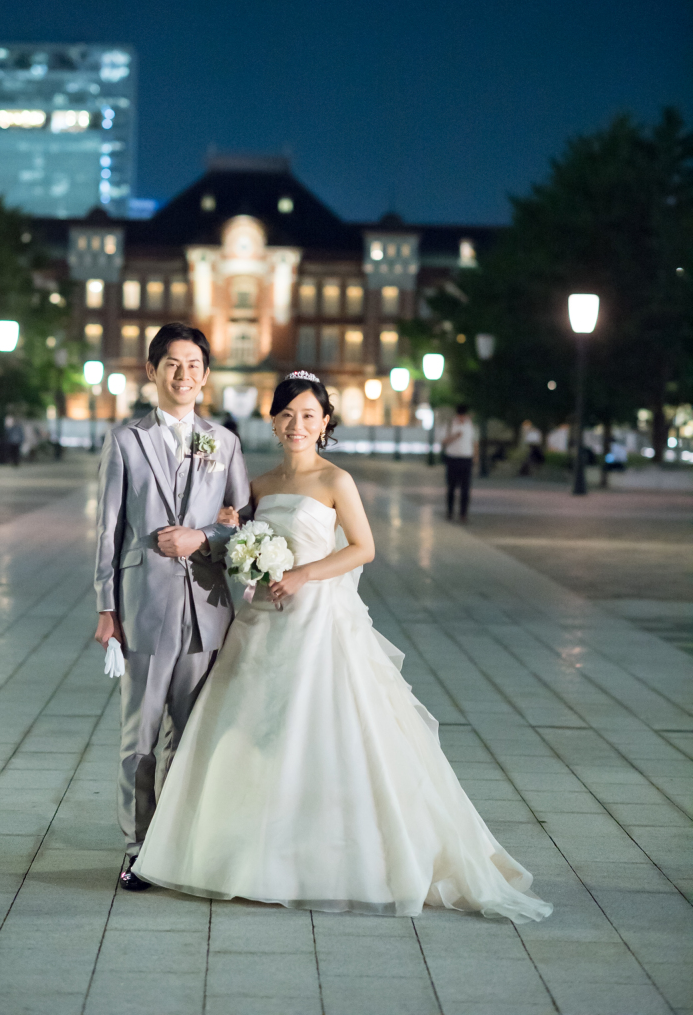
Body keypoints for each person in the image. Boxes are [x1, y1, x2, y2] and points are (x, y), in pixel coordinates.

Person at [133, 371, 552, 923]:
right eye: (286, 415)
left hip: (318, 622)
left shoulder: (336, 482)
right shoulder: (256, 485)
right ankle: (241, 853)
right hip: (261, 622)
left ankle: (314, 854)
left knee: (316, 732)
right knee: (251, 733)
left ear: (325, 422)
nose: (296, 425)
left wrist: (306, 574)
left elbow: (364, 548)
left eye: (308, 415)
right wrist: (234, 530)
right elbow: (234, 539)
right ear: (273, 420)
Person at [93, 322, 250, 892]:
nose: (184, 374)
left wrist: (203, 536)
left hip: (206, 609)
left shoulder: (224, 442)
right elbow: (108, 529)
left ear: (206, 376)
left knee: (189, 736)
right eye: (172, 364)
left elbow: (245, 524)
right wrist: (105, 607)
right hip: (142, 607)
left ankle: (177, 845)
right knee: (139, 736)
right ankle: (137, 849)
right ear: (152, 372)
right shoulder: (125, 441)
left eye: (193, 365)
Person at [443, 403, 476, 521]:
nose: (462, 417)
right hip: (453, 458)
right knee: (451, 487)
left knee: (465, 488)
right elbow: (443, 441)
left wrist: (475, 457)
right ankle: (450, 511)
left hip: (466, 458)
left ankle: (463, 514)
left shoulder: (471, 425)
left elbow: (474, 441)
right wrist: (455, 436)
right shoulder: (450, 424)